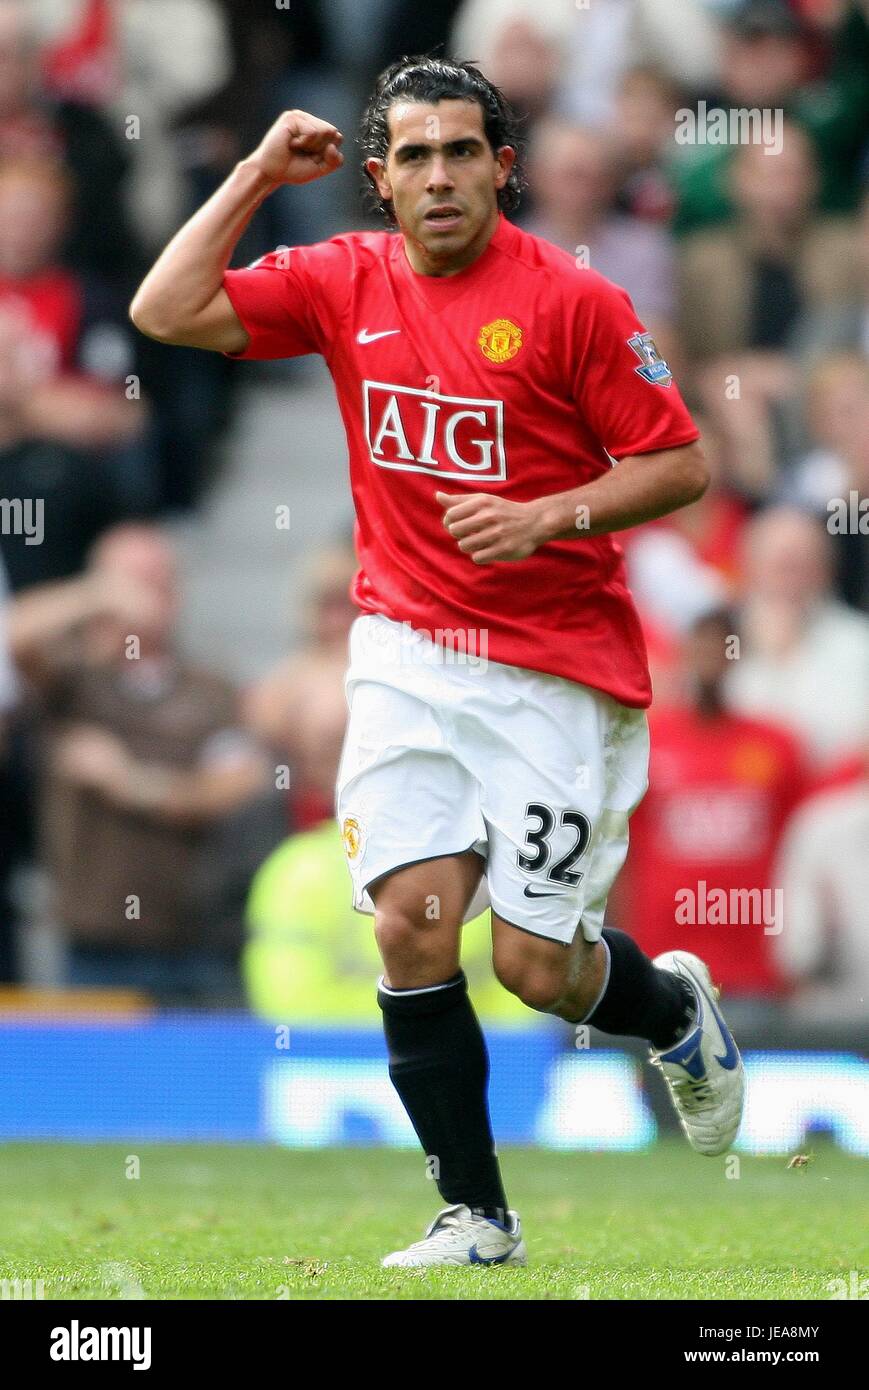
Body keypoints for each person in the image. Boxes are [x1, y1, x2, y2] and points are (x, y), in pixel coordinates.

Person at [129, 56, 744, 1269]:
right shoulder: (338, 278)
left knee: (529, 967)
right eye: (413, 156)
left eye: (462, 151)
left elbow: (679, 464)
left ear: (503, 168)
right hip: (406, 651)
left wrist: (545, 514)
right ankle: (475, 1215)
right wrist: (256, 172)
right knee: (412, 928)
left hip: (554, 672)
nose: (440, 176)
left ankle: (670, 1009)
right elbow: (162, 308)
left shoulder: (573, 300)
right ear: (378, 179)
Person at [8, 523, 268, 1000]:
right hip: (96, 944)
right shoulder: (71, 679)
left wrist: (129, 781)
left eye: (158, 579)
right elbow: (13, 634)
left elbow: (233, 787)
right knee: (96, 1073)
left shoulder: (209, 689)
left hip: (195, 940)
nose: (145, 595)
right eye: (131, 579)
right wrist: (93, 594)